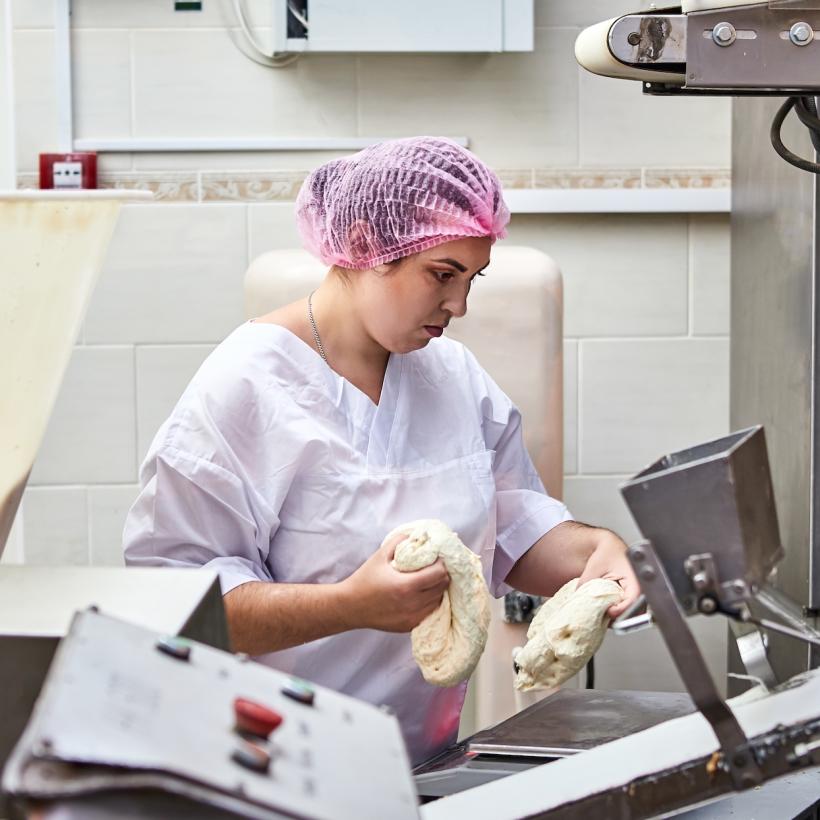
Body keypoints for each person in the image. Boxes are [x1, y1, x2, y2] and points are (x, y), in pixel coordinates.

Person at [123, 136, 640, 766]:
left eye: (472, 278)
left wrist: (593, 551)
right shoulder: (247, 386)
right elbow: (181, 599)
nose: (460, 305)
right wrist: (351, 606)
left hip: (417, 763)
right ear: (367, 245)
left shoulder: (451, 375)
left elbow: (511, 520)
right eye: (443, 275)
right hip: (274, 764)